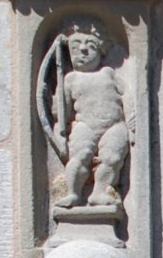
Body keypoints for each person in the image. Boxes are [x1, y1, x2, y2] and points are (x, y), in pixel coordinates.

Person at [45, 17, 130, 211]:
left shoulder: (109, 73)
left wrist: (131, 116)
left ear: (101, 49)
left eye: (90, 45)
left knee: (113, 158)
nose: (83, 51)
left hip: (114, 125)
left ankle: (99, 192)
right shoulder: (70, 79)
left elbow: (127, 95)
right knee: (80, 157)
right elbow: (61, 110)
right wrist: (60, 126)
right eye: (75, 48)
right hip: (85, 125)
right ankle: (74, 192)